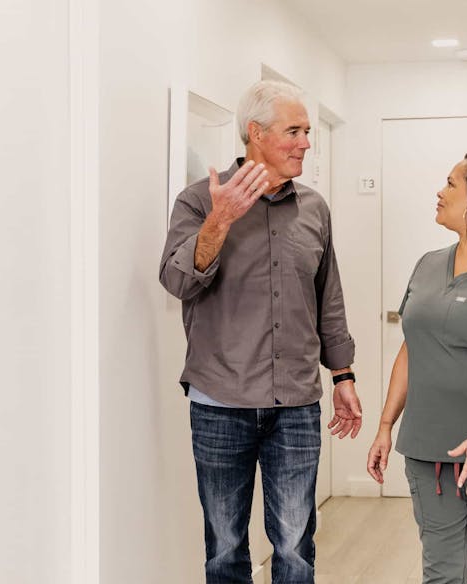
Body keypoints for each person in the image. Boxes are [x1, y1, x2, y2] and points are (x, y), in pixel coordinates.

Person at [159, 80, 363, 584]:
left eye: (307, 131)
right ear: (255, 133)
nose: (306, 143)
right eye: (293, 131)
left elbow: (328, 299)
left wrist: (344, 376)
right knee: (225, 546)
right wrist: (221, 220)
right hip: (219, 403)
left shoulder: (314, 208)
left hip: (295, 404)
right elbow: (177, 280)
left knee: (295, 547)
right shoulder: (198, 202)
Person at [367, 153, 467, 584]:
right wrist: (386, 424)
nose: (440, 192)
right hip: (427, 454)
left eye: (451, 184)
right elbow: (411, 348)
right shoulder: (427, 264)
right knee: (442, 576)